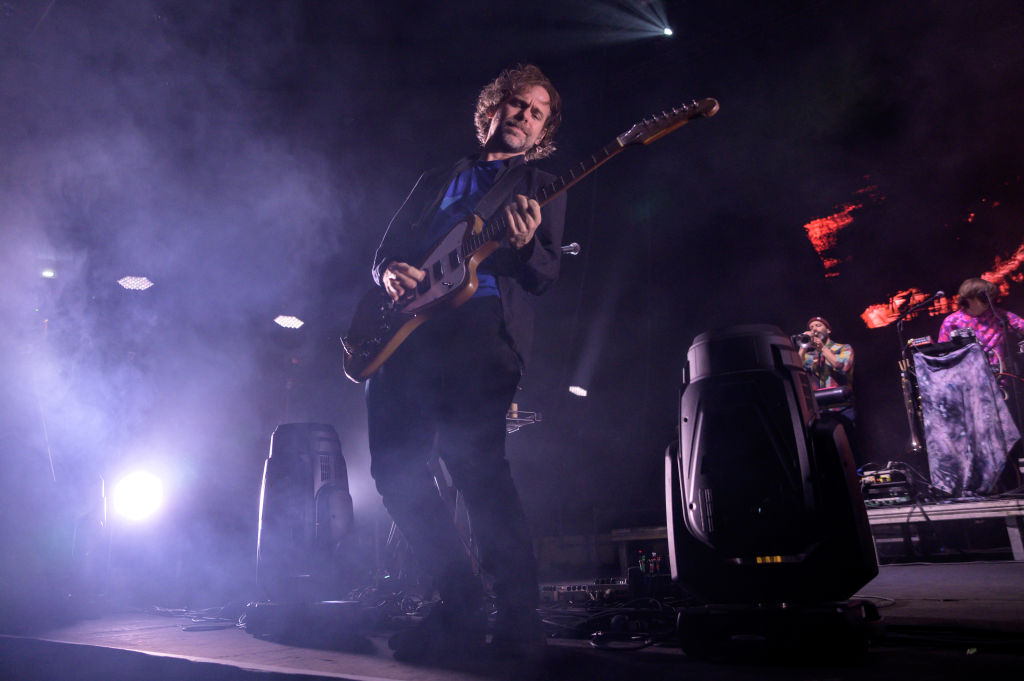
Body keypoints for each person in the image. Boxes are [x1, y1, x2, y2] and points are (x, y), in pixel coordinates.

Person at [364, 64, 567, 662]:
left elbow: (546, 275)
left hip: (479, 335)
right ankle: (460, 600)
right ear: (491, 110)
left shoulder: (543, 184)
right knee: (393, 472)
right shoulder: (438, 177)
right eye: (516, 104)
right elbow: (385, 249)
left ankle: (519, 617)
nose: (524, 116)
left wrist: (526, 243)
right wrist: (386, 272)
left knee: (478, 471)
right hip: (407, 337)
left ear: (543, 130)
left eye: (537, 112)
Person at [938, 277, 1024, 374]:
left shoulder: (999, 316)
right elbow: (943, 354)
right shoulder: (952, 322)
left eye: (990, 296)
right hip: (970, 381)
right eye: (983, 296)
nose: (989, 300)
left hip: (1001, 379)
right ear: (968, 298)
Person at [798, 316, 855, 422]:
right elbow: (796, 370)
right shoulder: (810, 355)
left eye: (818, 326)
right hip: (818, 410)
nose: (814, 329)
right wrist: (803, 347)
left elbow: (843, 367)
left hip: (841, 408)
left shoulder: (843, 348)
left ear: (828, 330)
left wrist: (822, 348)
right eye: (811, 328)